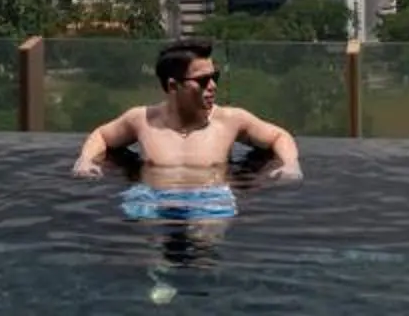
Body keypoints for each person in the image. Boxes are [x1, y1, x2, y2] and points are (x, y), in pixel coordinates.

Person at [71, 42, 301, 220]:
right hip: (152, 195)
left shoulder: (230, 120)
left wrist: (290, 164)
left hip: (211, 197)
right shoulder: (142, 120)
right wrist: (85, 160)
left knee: (205, 243)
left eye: (214, 77)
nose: (213, 86)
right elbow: (101, 135)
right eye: (202, 81)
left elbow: (279, 136)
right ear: (173, 86)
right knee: (148, 248)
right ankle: (157, 276)